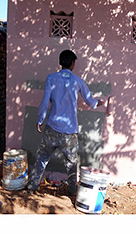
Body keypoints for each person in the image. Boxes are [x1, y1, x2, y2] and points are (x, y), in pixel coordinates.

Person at [28, 50, 105, 195]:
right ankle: (72, 191)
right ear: (72, 64)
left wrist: (39, 120)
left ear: (60, 62)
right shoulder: (77, 81)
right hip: (69, 132)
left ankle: (32, 186)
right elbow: (90, 101)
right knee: (71, 164)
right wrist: (99, 103)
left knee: (42, 158)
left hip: (51, 128)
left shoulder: (51, 78)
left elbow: (45, 102)